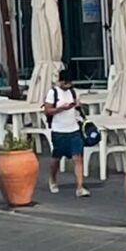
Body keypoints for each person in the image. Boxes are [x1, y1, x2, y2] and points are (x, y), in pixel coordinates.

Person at [44, 62, 87, 197]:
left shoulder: (73, 92)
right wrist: (61, 108)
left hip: (73, 129)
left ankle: (80, 187)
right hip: (59, 130)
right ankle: (52, 179)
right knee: (56, 158)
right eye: (66, 83)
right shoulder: (53, 93)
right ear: (60, 81)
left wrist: (77, 106)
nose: (68, 86)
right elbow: (47, 110)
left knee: (77, 158)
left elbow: (78, 108)